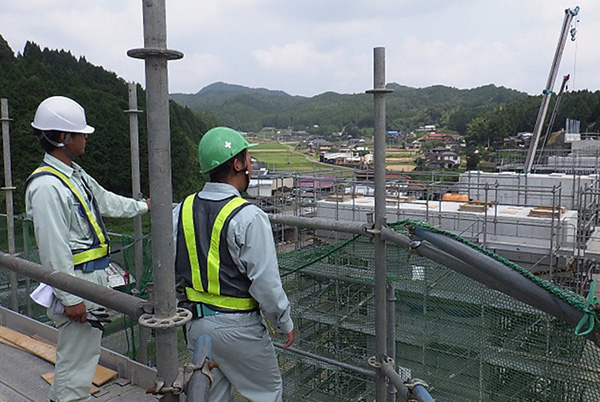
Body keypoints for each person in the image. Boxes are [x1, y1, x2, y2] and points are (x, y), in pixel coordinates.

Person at [24, 96, 150, 402]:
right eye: (81, 134)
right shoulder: (46, 187)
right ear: (64, 138)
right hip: (78, 282)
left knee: (84, 353)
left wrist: (143, 207)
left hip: (91, 280)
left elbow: (104, 200)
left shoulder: (74, 174)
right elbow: (53, 249)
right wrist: (70, 297)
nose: (86, 138)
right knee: (76, 359)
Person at [173, 126, 294, 402]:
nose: (250, 163)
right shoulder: (249, 216)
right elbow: (265, 282)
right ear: (238, 164)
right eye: (247, 157)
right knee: (267, 394)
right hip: (240, 328)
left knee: (210, 393)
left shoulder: (181, 209)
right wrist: (284, 321)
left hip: (196, 322)